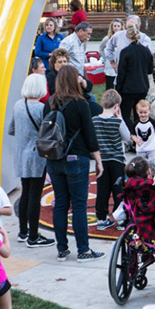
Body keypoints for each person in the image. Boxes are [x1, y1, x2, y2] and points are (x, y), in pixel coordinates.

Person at [43, 64, 105, 262]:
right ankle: (83, 250)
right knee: (79, 205)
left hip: (54, 159)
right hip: (77, 158)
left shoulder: (50, 102)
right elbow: (90, 134)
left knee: (60, 204)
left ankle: (62, 249)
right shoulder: (80, 103)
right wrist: (98, 159)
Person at [6, 74, 55, 247]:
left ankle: (23, 231)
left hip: (21, 154)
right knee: (35, 194)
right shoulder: (42, 108)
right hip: (36, 156)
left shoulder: (18, 105)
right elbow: (48, 134)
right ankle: (34, 236)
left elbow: (11, 130)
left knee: (25, 192)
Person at [92, 88, 130, 229]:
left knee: (102, 190)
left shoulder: (94, 121)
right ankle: (120, 219)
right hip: (117, 160)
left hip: (101, 160)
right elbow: (127, 138)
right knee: (118, 190)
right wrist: (120, 118)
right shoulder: (117, 122)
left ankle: (101, 219)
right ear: (116, 106)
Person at [116, 22, 154, 130]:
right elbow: (150, 70)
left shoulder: (125, 52)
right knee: (139, 114)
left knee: (125, 115)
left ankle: (132, 135)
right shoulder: (146, 51)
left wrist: (118, 88)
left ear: (128, 36)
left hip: (128, 88)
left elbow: (121, 73)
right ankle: (140, 134)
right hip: (142, 86)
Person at [132, 99, 155, 175]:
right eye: (141, 112)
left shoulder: (152, 122)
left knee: (153, 163)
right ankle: (142, 178)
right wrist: (136, 140)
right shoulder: (136, 124)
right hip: (140, 149)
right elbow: (132, 134)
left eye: (145, 112)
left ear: (149, 111)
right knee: (140, 165)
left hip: (151, 148)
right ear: (137, 112)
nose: (143, 114)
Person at [99, 18, 124, 90]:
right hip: (110, 66)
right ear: (112, 27)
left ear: (121, 27)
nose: (116, 28)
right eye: (115, 26)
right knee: (110, 86)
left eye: (118, 26)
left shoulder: (124, 38)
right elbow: (101, 48)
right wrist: (105, 58)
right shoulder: (107, 38)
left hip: (121, 64)